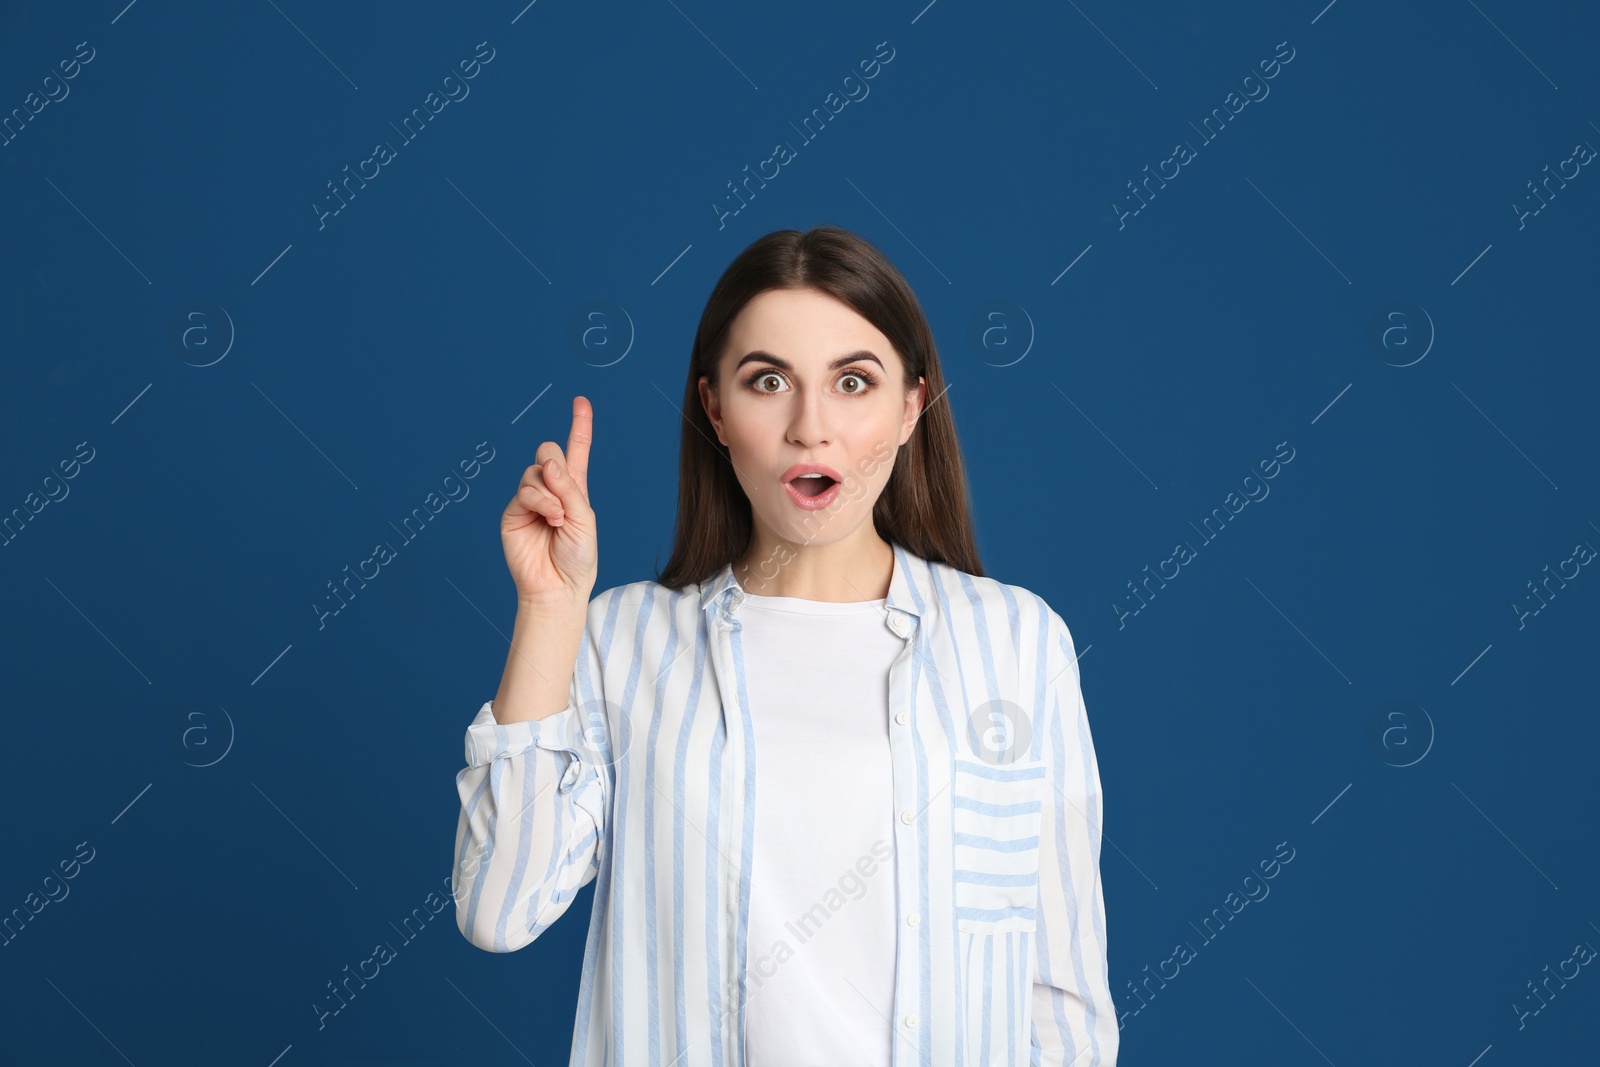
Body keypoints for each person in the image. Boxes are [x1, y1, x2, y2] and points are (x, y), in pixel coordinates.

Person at [452, 226, 1117, 1066]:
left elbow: (1062, 1004)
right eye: (769, 381)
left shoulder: (1017, 645)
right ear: (715, 409)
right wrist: (551, 608)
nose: (811, 426)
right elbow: (498, 907)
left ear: (912, 406)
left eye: (852, 382)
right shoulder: (621, 640)